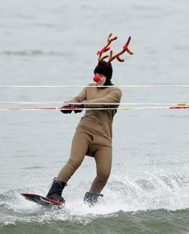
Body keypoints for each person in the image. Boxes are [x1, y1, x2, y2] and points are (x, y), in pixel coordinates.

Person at [45, 34, 132, 205]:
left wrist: (83, 105)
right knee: (75, 160)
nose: (97, 78)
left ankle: (91, 198)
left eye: (100, 75)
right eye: (95, 74)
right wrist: (68, 106)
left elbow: (104, 102)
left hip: (103, 138)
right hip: (84, 131)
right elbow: (76, 99)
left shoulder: (115, 92)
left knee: (104, 173)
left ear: (108, 77)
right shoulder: (89, 87)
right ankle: (54, 193)